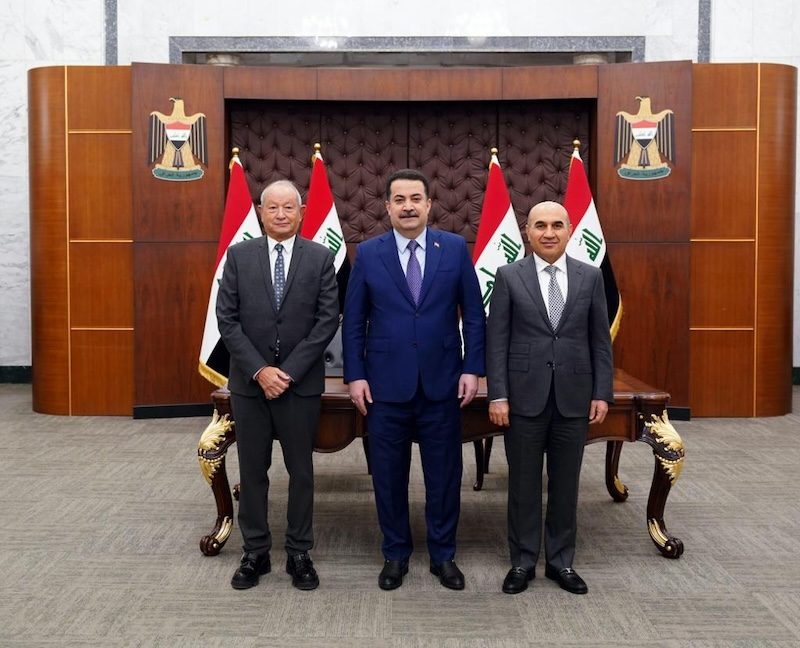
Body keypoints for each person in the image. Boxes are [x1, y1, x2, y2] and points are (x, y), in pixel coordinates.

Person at [342, 169, 486, 591]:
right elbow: (354, 321)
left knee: (444, 476)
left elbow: (474, 315)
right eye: (399, 199)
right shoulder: (368, 254)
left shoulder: (455, 249)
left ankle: (443, 556)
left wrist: (472, 368)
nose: (408, 206)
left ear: (429, 205)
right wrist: (356, 376)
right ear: (386, 207)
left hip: (443, 384)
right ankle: (395, 554)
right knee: (388, 475)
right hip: (385, 387)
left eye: (416, 198)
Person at [486, 200, 613, 595]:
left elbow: (599, 341)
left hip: (574, 398)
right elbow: (497, 341)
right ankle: (523, 562)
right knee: (523, 485)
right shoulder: (508, 276)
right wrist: (499, 395)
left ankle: (561, 562)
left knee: (565, 484)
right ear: (528, 231)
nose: (549, 232)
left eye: (557, 224)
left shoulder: (590, 277)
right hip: (523, 399)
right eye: (540, 225)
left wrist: (601, 392)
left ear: (571, 229)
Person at [217, 179, 339, 591]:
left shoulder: (321, 258)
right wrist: (260, 371)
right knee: (253, 472)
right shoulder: (238, 256)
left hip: (299, 385)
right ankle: (255, 552)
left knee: (301, 472)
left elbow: (326, 321)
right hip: (250, 386)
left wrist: (286, 372)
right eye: (273, 208)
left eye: (289, 207)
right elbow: (227, 321)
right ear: (261, 211)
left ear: (302, 212)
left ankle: (299, 552)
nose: (282, 214)